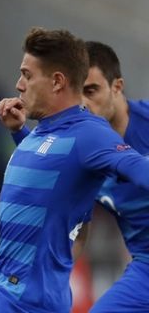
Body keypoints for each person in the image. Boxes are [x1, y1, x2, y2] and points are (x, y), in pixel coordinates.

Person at [0, 27, 149, 313]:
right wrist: (20, 134)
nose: (19, 84)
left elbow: (137, 170)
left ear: (116, 87)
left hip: (24, 299)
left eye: (27, 75)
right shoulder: (61, 137)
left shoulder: (94, 136)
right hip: (24, 292)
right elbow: (61, 189)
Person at [79, 41, 149, 312]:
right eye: (77, 93)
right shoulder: (78, 151)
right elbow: (76, 231)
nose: (83, 103)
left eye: (91, 90)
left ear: (116, 87)